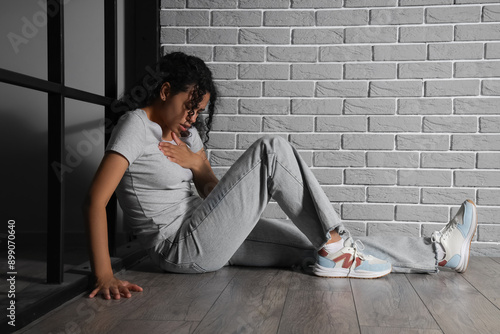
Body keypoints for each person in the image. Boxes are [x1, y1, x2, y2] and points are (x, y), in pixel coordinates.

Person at [84, 52, 478, 300]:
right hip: (177, 247)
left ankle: (440, 254)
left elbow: (216, 197)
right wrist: (103, 273)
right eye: (190, 107)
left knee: (318, 248)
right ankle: (339, 242)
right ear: (165, 90)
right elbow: (96, 200)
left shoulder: (185, 135)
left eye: (200, 111)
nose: (194, 118)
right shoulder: (136, 126)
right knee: (272, 151)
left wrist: (198, 164)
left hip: (204, 231)